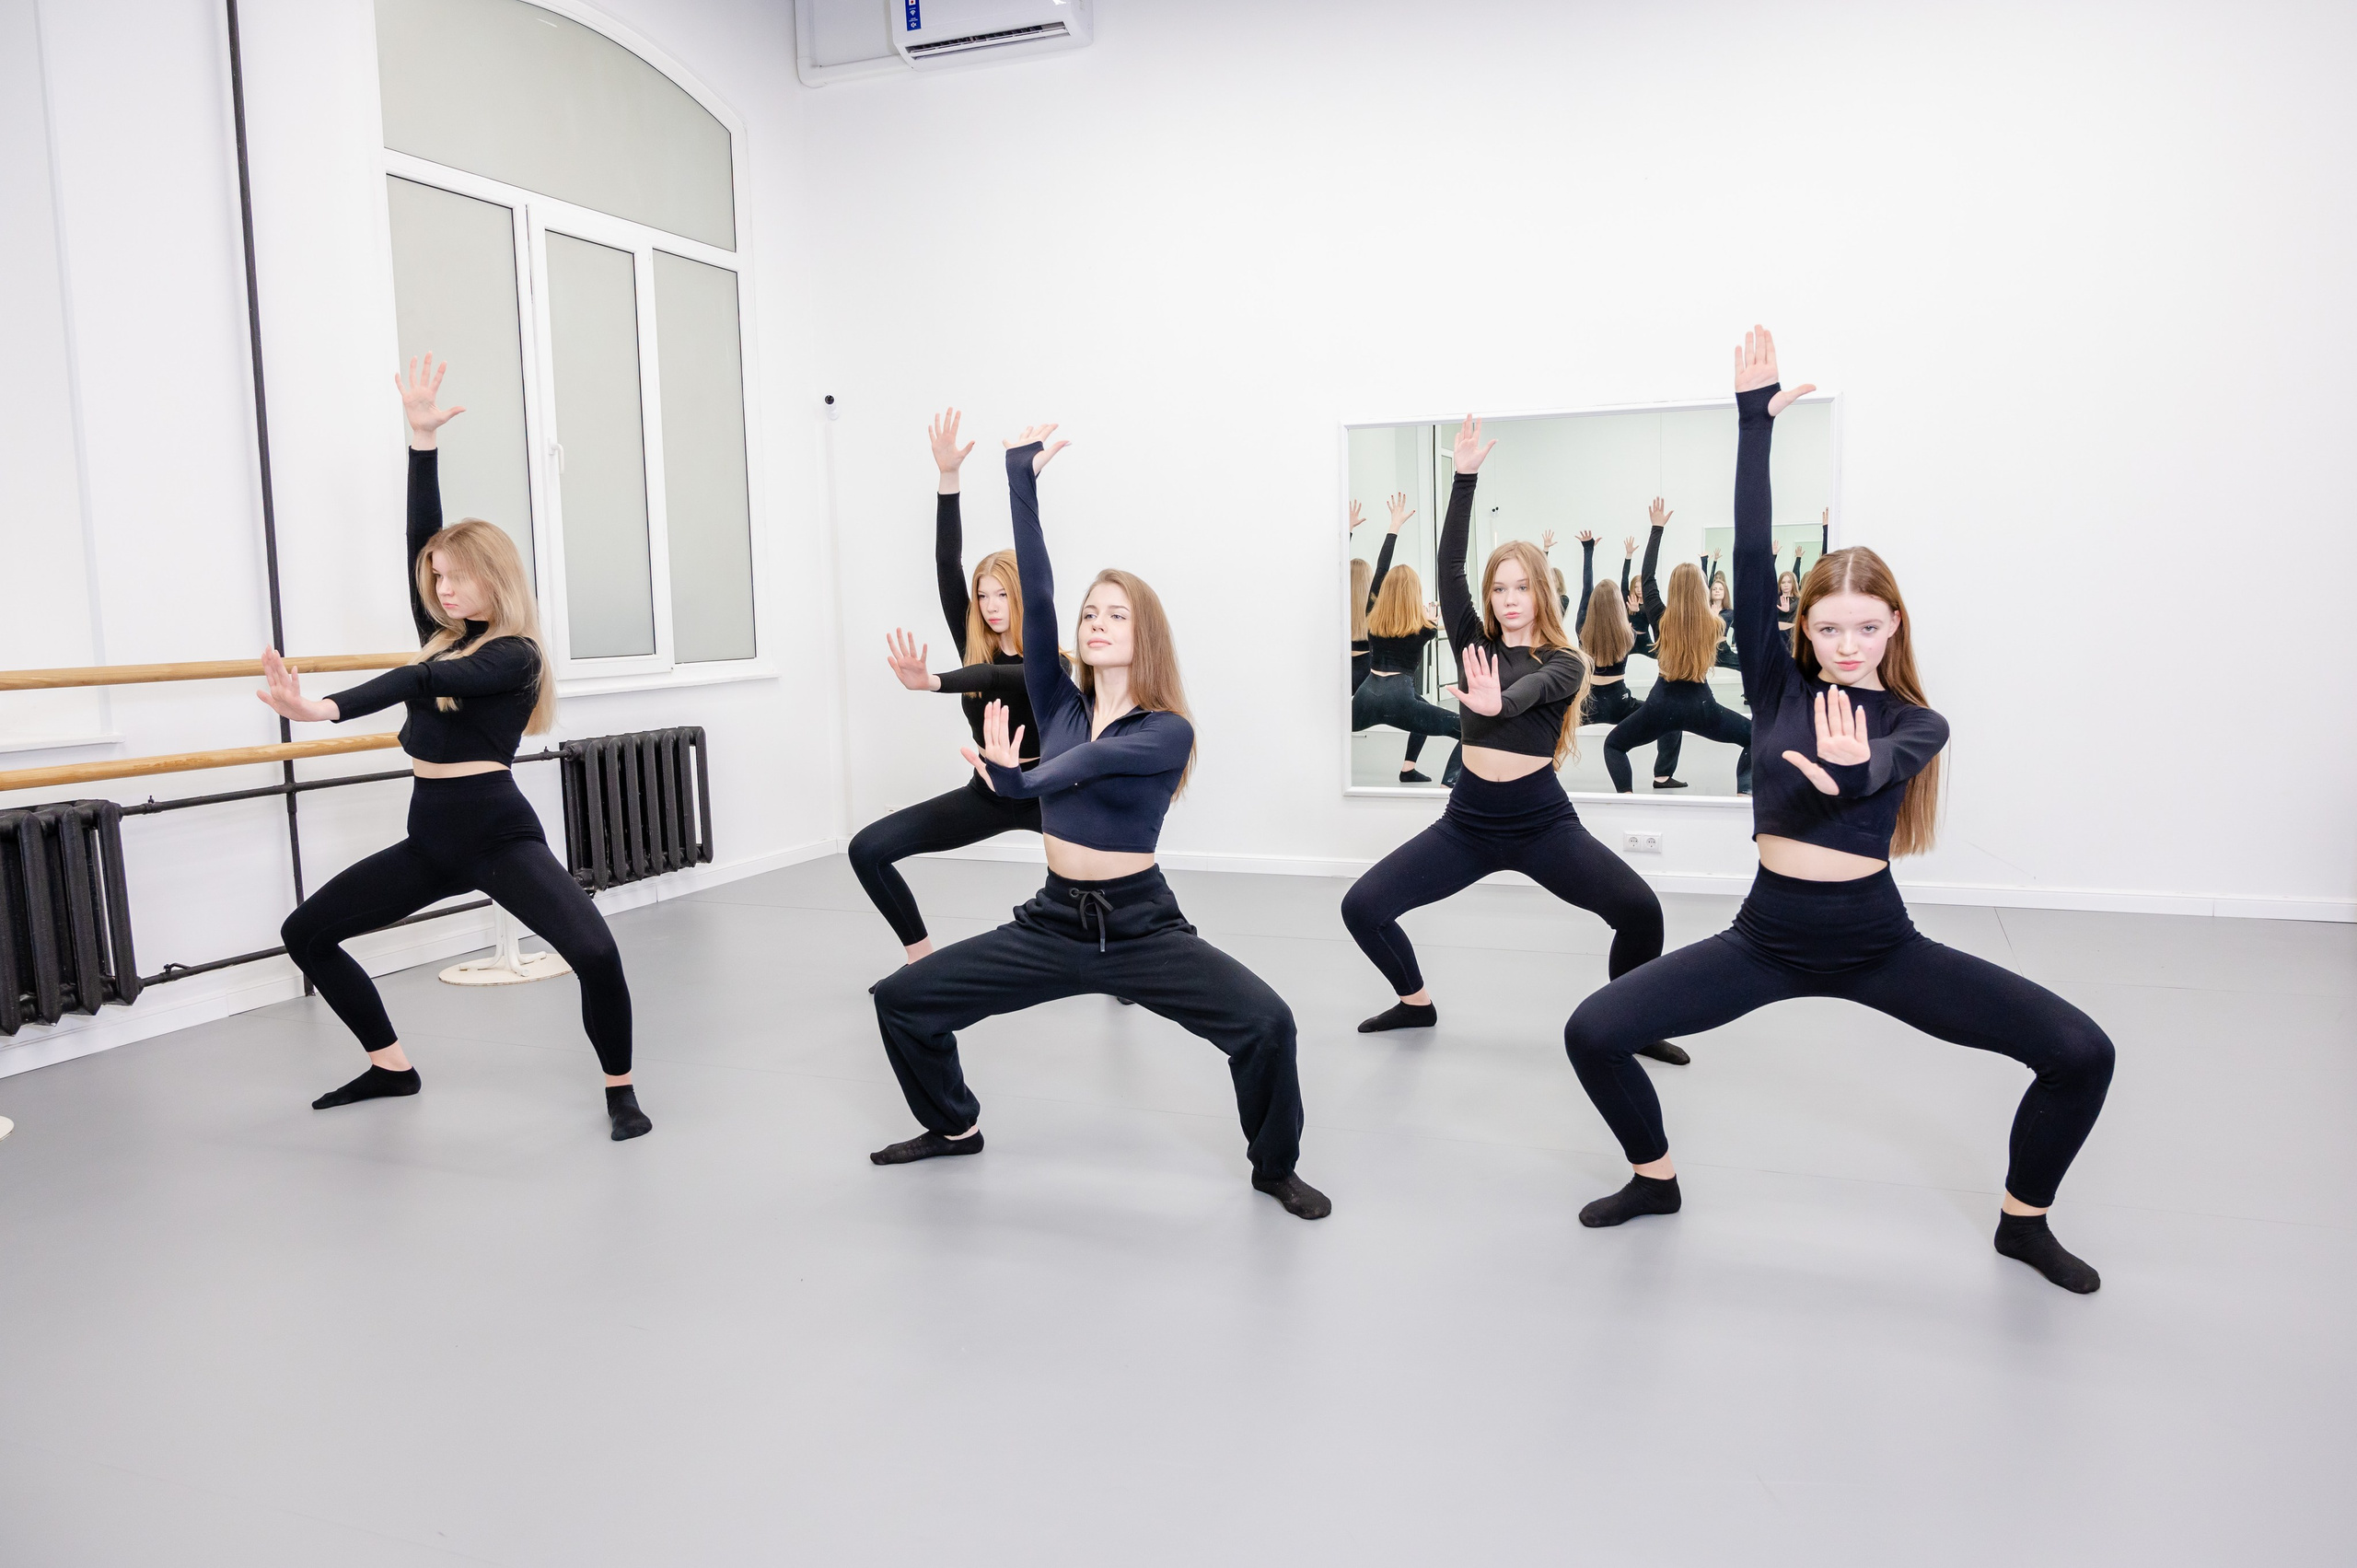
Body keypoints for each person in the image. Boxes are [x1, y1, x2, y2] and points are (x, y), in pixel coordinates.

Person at [1563, 326, 2115, 1294]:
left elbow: (1880, 769)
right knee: (1593, 1029)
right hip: (1763, 937)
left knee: (2080, 1052)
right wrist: (1752, 424)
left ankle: (2023, 1222)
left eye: (1867, 625)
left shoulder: (1915, 718)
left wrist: (1846, 776)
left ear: (1892, 624)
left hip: (1878, 943)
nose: (1848, 641)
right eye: (1829, 625)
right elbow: (1742, 542)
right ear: (1801, 626)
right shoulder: (1774, 685)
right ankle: (1654, 1180)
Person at [867, 425, 1330, 1220]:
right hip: (1052, 922)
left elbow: (1085, 767)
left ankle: (1274, 1165)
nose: (1096, 620)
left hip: (1142, 926)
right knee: (901, 1000)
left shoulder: (1165, 728)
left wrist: (1024, 776)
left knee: (1267, 1023)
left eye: (1115, 612)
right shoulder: (1057, 700)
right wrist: (1021, 480)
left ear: (1142, 633)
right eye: (1091, 611)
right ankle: (954, 1126)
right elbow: (1037, 596)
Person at [257, 356, 649, 1141]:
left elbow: (416, 677)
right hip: (431, 836)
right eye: (434, 577)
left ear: (492, 581)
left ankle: (620, 1090)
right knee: (306, 932)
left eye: (455, 577)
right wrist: (421, 442)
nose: (440, 587)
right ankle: (391, 1066)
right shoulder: (444, 632)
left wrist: (322, 707)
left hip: (497, 835)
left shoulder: (515, 656)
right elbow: (418, 536)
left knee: (596, 955)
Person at [1341, 416, 1687, 1067]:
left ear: (1543, 590)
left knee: (1641, 910)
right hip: (1466, 821)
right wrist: (1464, 478)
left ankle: (1629, 1021)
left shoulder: (1565, 659)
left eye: (1521, 586)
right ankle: (1416, 1002)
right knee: (1362, 906)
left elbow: (1530, 693)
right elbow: (1447, 567)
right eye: (1498, 588)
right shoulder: (1474, 643)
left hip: (1541, 824)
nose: (1507, 598)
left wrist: (1500, 700)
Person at [850, 409, 1061, 963]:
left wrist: (935, 682)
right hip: (988, 794)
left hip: (1052, 798)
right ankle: (922, 961)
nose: (990, 607)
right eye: (983, 596)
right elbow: (948, 564)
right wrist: (949, 478)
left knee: (1110, 875)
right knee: (867, 850)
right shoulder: (974, 643)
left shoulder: (1052, 656)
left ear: (1022, 598)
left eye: (1002, 595)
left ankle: (1127, 959)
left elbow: (1001, 678)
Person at [1603, 500, 1752, 793]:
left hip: (1661, 703)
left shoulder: (1660, 614)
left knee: (1614, 745)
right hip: (1702, 705)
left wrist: (1656, 529)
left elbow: (1646, 578)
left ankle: (1628, 798)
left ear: (1672, 589)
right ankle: (1744, 790)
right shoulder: (1715, 622)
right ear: (1704, 590)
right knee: (1755, 736)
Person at [1354, 555, 1462, 784]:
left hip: (1366, 693)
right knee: (1468, 730)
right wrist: (1432, 622)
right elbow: (1428, 628)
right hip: (1399, 700)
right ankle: (1448, 785)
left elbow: (1380, 573)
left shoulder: (1372, 620)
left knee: (1422, 706)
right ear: (1415, 595)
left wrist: (1394, 529)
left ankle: (1408, 770)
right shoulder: (1425, 630)